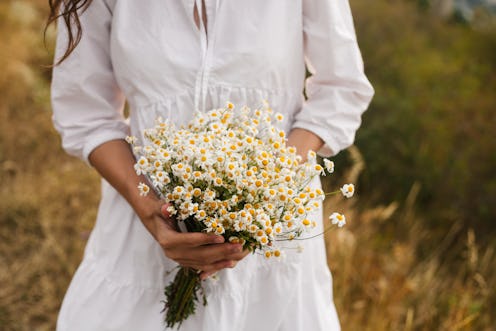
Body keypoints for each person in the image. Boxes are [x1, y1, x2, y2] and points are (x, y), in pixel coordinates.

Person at [49, 0, 373, 330]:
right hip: (144, 232)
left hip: (274, 241)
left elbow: (341, 87)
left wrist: (262, 192)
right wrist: (152, 213)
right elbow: (85, 114)